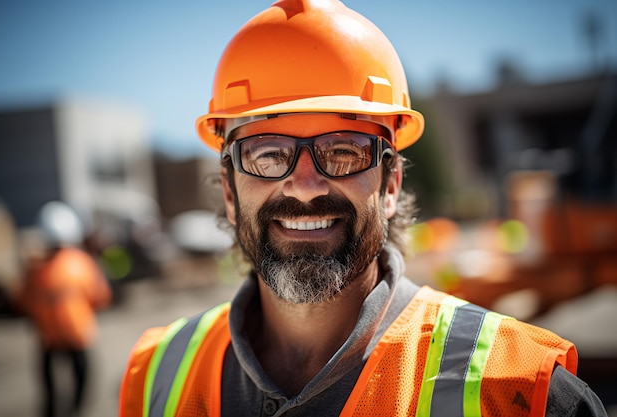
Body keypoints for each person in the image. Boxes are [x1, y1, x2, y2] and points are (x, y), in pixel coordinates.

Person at [119, 1, 607, 416]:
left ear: (390, 182)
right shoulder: (155, 377)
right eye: (267, 154)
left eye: (343, 151)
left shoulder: (523, 391)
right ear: (229, 189)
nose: (306, 186)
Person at [15, 201, 112, 417]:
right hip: (77, 334)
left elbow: (22, 301)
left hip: (48, 338)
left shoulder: (35, 268)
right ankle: (76, 410)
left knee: (49, 384)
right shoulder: (81, 263)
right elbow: (100, 296)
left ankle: (52, 410)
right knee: (81, 378)